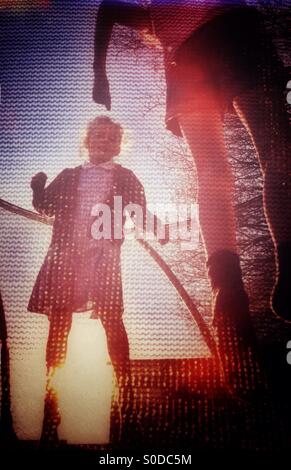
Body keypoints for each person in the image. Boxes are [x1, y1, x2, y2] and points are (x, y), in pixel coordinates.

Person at [92, 0, 291, 358]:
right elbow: (109, 8)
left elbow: (109, 8)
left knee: (213, 173)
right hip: (233, 34)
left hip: (188, 58)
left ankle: (227, 295)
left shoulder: (155, 15)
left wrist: (100, 72)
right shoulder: (158, 14)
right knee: (275, 152)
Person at [28, 115, 168, 443]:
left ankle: (125, 392)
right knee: (59, 323)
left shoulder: (126, 177)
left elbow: (139, 210)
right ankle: (53, 394)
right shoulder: (69, 176)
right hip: (66, 258)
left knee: (112, 319)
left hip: (104, 257)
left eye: (111, 139)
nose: (104, 143)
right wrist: (38, 187)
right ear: (86, 141)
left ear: (119, 146)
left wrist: (157, 227)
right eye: (98, 137)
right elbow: (46, 207)